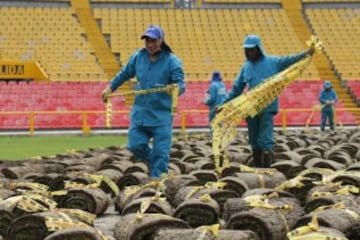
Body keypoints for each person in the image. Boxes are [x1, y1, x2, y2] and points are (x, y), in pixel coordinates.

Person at [101, 25, 185, 178]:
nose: (150, 44)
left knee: (161, 153)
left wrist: (174, 88)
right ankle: (157, 163)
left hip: (161, 117)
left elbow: (181, 85)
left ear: (161, 40)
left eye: (154, 41)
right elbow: (124, 74)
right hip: (140, 115)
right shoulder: (138, 57)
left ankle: (157, 187)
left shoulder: (173, 61)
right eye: (147, 41)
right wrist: (110, 88)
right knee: (135, 146)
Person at [221, 34, 314, 168]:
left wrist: (306, 54)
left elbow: (290, 60)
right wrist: (224, 103)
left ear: (259, 48)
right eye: (247, 50)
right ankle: (258, 167)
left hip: (267, 105)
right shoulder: (245, 67)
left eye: (252, 49)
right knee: (253, 139)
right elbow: (237, 88)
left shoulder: (273, 62)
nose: (249, 52)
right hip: (251, 108)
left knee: (264, 138)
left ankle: (267, 167)